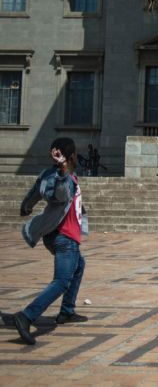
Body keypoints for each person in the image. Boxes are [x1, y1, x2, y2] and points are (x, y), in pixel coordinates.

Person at [13, 137, 88, 345]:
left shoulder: (50, 175)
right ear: (71, 155)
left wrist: (26, 207)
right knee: (62, 281)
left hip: (59, 235)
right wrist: (63, 169)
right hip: (64, 237)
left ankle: (66, 312)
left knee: (79, 266)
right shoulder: (61, 177)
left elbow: (35, 193)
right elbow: (60, 195)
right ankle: (26, 316)